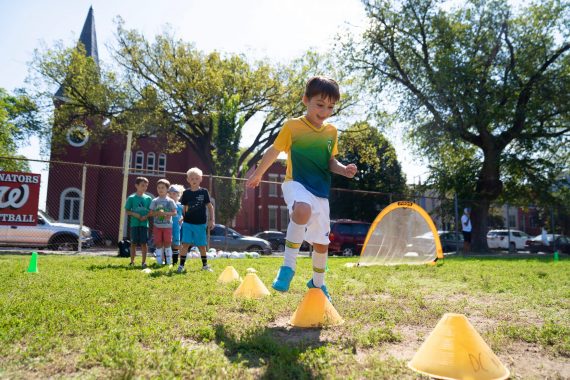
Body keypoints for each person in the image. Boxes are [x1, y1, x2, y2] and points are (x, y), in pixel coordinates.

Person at [246, 76, 357, 301]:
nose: (325, 111)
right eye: (319, 104)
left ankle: (318, 284)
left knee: (321, 244)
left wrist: (343, 169)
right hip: (295, 184)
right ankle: (288, 267)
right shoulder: (292, 126)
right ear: (305, 100)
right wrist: (258, 173)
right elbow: (274, 151)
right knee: (302, 209)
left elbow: (330, 162)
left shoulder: (331, 132)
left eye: (330, 107)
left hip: (321, 193)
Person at [177, 167, 215, 273]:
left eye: (197, 178)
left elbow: (210, 206)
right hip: (188, 224)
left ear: (201, 179)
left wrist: (212, 220)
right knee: (185, 244)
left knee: (202, 246)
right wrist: (182, 217)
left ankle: (205, 265)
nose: (194, 180)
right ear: (188, 180)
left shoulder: (204, 192)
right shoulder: (186, 193)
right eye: (192, 178)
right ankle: (181, 266)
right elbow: (184, 208)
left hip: (200, 224)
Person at [124, 177, 152, 268]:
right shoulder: (132, 198)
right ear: (136, 186)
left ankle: (143, 262)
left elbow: (151, 211)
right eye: (142, 185)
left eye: (146, 186)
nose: (144, 188)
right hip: (134, 224)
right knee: (133, 243)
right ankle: (132, 261)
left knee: (144, 243)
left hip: (144, 224)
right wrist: (136, 215)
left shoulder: (148, 198)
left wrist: (146, 216)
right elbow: (127, 210)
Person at [149, 179, 178, 266]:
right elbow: (151, 213)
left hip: (167, 226)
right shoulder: (155, 201)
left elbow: (175, 212)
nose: (160, 189)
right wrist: (157, 213)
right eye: (159, 187)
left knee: (167, 243)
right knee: (158, 243)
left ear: (167, 189)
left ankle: (168, 262)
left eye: (163, 188)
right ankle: (159, 262)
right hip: (157, 226)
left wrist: (165, 213)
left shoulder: (170, 201)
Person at [167, 184, 185, 264]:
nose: (171, 195)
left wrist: (183, 218)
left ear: (178, 195)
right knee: (167, 242)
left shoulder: (181, 205)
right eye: (170, 193)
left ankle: (175, 261)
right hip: (167, 226)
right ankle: (167, 260)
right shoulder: (167, 204)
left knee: (176, 244)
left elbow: (187, 214)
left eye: (174, 193)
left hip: (177, 227)